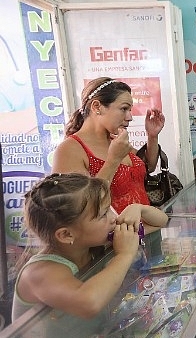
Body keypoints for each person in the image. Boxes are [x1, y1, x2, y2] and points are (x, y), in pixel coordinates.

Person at [12, 173, 168, 324]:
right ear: (66, 234)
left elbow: (160, 222)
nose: (114, 218)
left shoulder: (98, 240)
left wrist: (139, 208)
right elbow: (89, 304)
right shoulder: (38, 273)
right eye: (103, 214)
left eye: (109, 209)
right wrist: (124, 255)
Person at [52, 77, 165, 215]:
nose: (129, 117)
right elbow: (78, 208)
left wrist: (152, 136)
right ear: (96, 107)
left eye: (130, 110)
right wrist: (113, 161)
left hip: (146, 231)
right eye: (124, 109)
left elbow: (149, 167)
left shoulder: (114, 141)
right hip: (114, 236)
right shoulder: (70, 149)